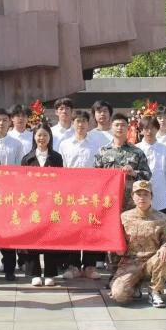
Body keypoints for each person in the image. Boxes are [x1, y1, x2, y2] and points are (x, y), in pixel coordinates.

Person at [111, 180, 166, 308]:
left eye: (146, 194)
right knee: (119, 295)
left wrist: (165, 248)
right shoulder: (124, 218)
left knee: (164, 256)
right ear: (132, 196)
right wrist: (114, 264)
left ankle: (155, 292)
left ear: (151, 196)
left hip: (153, 261)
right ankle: (135, 286)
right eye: (138, 194)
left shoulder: (163, 218)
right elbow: (114, 244)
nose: (142, 198)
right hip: (130, 263)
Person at [59, 110, 107, 280]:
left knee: (90, 228)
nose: (80, 125)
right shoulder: (65, 144)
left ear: (89, 124)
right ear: (72, 124)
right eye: (77, 121)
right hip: (71, 193)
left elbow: (101, 168)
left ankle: (89, 266)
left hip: (91, 193)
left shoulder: (96, 145)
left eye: (83, 121)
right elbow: (62, 169)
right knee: (73, 228)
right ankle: (72, 266)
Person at [20, 123, 65, 287]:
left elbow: (61, 180)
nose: (42, 138)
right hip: (32, 205)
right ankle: (35, 273)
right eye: (39, 135)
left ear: (50, 138)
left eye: (45, 135)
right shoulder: (27, 158)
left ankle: (50, 273)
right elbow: (22, 183)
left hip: (51, 204)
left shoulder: (57, 158)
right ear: (34, 137)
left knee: (51, 238)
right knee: (32, 238)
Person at [0, 108, 24, 281]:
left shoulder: (16, 144)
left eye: (4, 120)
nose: (1, 123)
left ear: (9, 122)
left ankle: (10, 269)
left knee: (8, 231)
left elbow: (19, 168)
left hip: (10, 193)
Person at [95, 113, 152, 211]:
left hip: (131, 203)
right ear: (111, 127)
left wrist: (134, 173)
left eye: (123, 125)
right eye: (116, 125)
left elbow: (147, 175)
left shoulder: (137, 152)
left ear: (128, 128)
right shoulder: (103, 151)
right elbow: (96, 175)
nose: (119, 128)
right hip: (109, 201)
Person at [136, 116, 166, 215]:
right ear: (141, 130)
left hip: (160, 195)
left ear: (157, 129)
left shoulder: (165, 149)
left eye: (152, 128)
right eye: (146, 128)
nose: (149, 131)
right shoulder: (136, 149)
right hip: (141, 196)